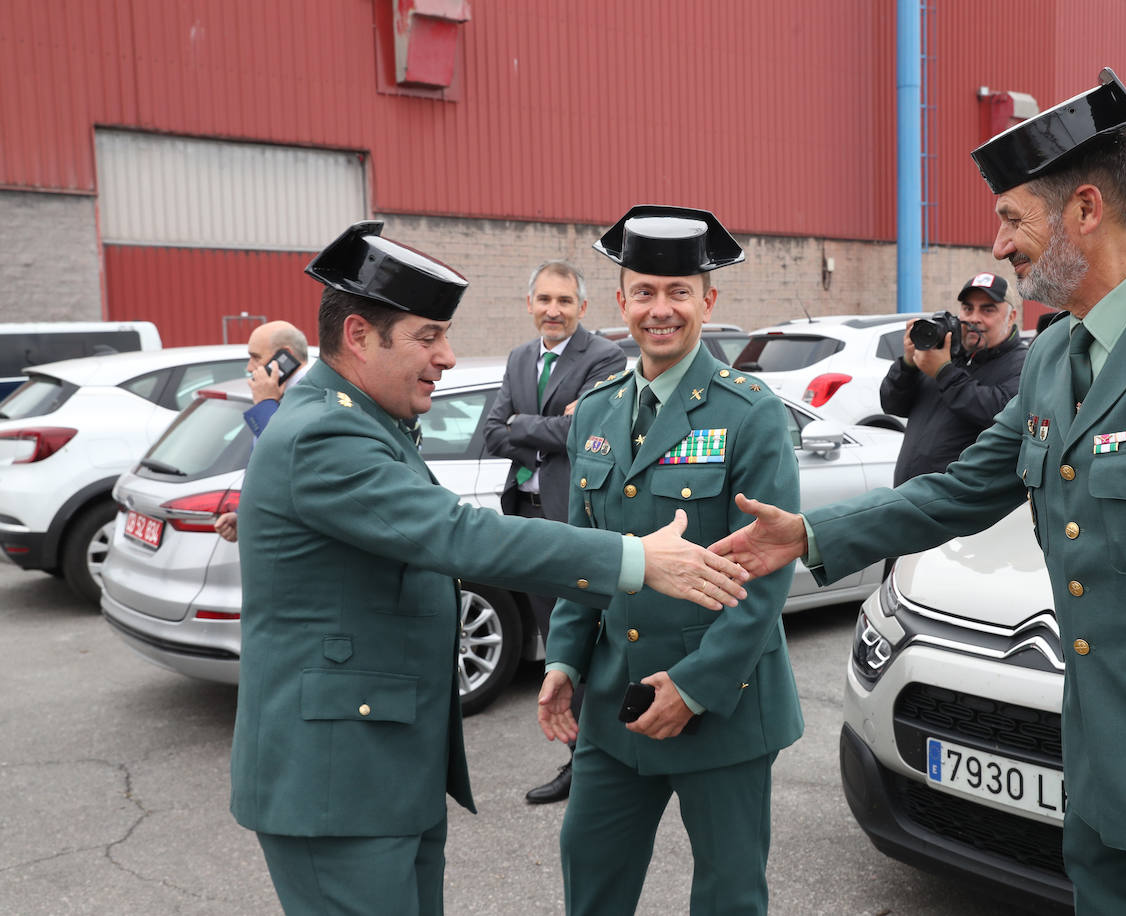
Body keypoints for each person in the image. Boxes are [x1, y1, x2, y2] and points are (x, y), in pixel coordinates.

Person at [710, 69, 1126, 915]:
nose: (997, 247)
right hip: (1095, 789)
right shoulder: (1057, 357)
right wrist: (809, 537)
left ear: (1086, 210)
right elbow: (962, 489)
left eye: (1012, 219)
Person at [229, 220, 752, 916]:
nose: (447, 358)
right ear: (358, 335)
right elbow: (456, 533)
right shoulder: (326, 430)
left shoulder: (363, 420)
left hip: (378, 772)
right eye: (427, 337)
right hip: (337, 784)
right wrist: (635, 559)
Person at [537, 205, 804, 916]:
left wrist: (692, 688)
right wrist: (563, 659)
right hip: (613, 703)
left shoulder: (748, 413)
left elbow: (764, 574)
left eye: (678, 293)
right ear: (620, 301)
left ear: (707, 301)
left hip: (721, 706)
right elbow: (583, 557)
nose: (661, 310)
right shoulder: (593, 411)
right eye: (645, 292)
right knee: (589, 872)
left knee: (728, 895)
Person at [481, 259, 626, 804]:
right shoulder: (520, 357)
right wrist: (540, 428)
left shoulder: (605, 356)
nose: (553, 310)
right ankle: (581, 758)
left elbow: (586, 430)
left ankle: (599, 762)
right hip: (528, 514)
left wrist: (526, 424)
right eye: (544, 300)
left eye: (564, 301)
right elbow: (494, 433)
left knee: (583, 638)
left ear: (583, 308)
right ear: (529, 305)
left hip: (574, 520)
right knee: (553, 639)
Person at [880, 271, 1026, 485]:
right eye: (968, 308)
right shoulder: (945, 353)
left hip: (958, 501)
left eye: (988, 310)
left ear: (1011, 317)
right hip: (908, 493)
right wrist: (908, 364)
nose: (974, 318)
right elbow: (892, 405)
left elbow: (1000, 411)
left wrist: (943, 372)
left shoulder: (1021, 362)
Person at [214, 320, 310, 543]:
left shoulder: (312, 394)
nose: (249, 367)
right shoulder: (276, 393)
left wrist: (266, 404)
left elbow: (281, 457)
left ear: (284, 357)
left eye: (256, 356)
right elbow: (262, 472)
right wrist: (242, 515)